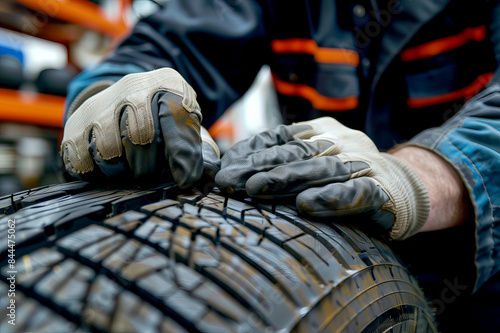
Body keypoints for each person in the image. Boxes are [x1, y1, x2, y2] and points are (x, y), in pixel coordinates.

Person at [61, 0, 500, 331]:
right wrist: (113, 94)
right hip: (330, 257)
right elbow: (173, 41)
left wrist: (426, 178)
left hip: (477, 271)